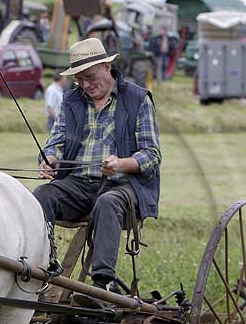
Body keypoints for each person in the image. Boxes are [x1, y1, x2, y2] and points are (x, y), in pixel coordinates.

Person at [34, 38, 161, 300]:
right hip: (78, 184)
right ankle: (44, 269)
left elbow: (152, 155)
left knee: (107, 202)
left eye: (90, 77)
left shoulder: (138, 99)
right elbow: (55, 142)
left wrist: (121, 164)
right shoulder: (71, 101)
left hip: (124, 186)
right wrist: (50, 158)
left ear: (106, 66)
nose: (85, 85)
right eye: (79, 80)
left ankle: (101, 286)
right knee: (41, 196)